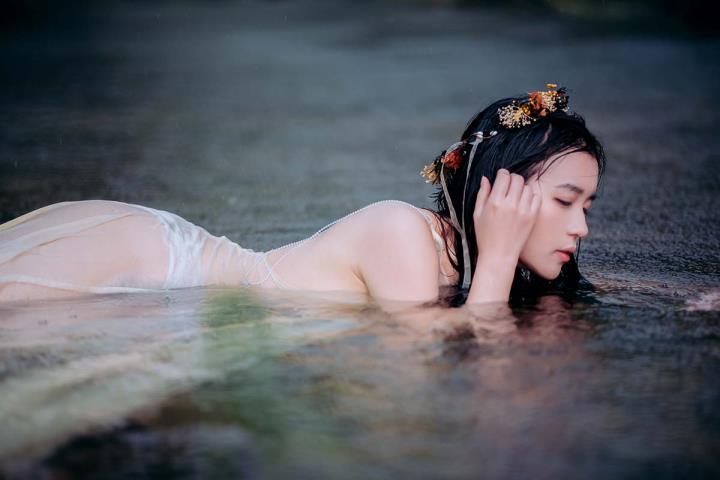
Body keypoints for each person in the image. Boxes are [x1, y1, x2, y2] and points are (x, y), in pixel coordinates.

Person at [0, 84, 605, 306]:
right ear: (498, 189)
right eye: (564, 201)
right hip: (154, 262)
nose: (580, 227)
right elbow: (449, 364)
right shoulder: (402, 232)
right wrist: (497, 259)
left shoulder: (468, 263)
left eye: (585, 206)